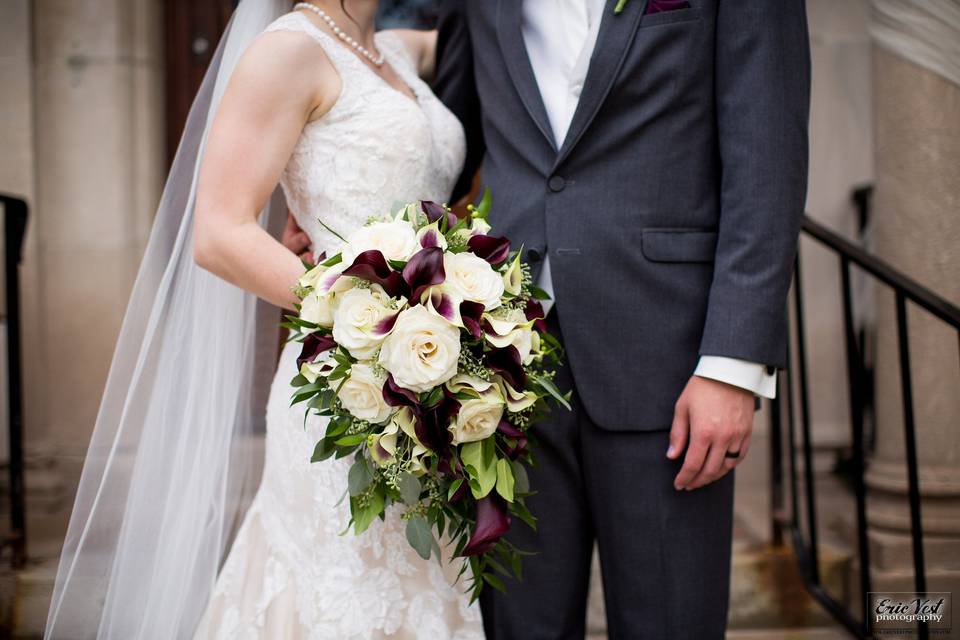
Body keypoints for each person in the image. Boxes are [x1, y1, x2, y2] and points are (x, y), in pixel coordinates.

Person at [44, 2, 482, 638]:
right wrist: (366, 323)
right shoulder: (287, 52)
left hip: (428, 388)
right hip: (343, 384)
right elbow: (218, 233)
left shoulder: (395, 50)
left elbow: (495, 34)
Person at [430, 1, 811, 638]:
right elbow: (448, 131)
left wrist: (733, 363)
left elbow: (767, 158)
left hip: (669, 360)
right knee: (519, 626)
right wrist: (355, 243)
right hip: (496, 365)